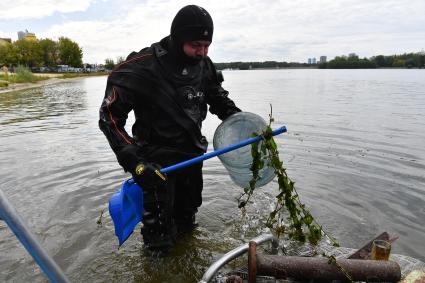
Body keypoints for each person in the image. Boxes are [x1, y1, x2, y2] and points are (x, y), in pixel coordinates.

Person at [99, 5, 241, 251]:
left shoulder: (204, 65)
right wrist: (135, 163)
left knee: (187, 226)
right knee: (159, 240)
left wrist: (243, 122)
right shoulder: (142, 67)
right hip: (155, 167)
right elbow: (109, 116)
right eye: (196, 45)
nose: (202, 52)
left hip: (191, 159)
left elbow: (219, 100)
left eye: (207, 46)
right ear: (178, 37)